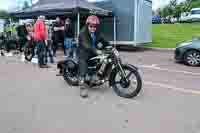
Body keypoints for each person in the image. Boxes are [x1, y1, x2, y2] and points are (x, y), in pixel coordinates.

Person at [78, 15, 110, 98]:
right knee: (83, 66)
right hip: (84, 53)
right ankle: (82, 87)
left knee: (105, 60)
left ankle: (97, 76)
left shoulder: (97, 32)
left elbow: (104, 40)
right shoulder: (82, 33)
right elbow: (86, 45)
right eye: (91, 26)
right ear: (87, 25)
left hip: (93, 52)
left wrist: (111, 47)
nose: (93, 28)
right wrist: (96, 51)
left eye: (95, 26)